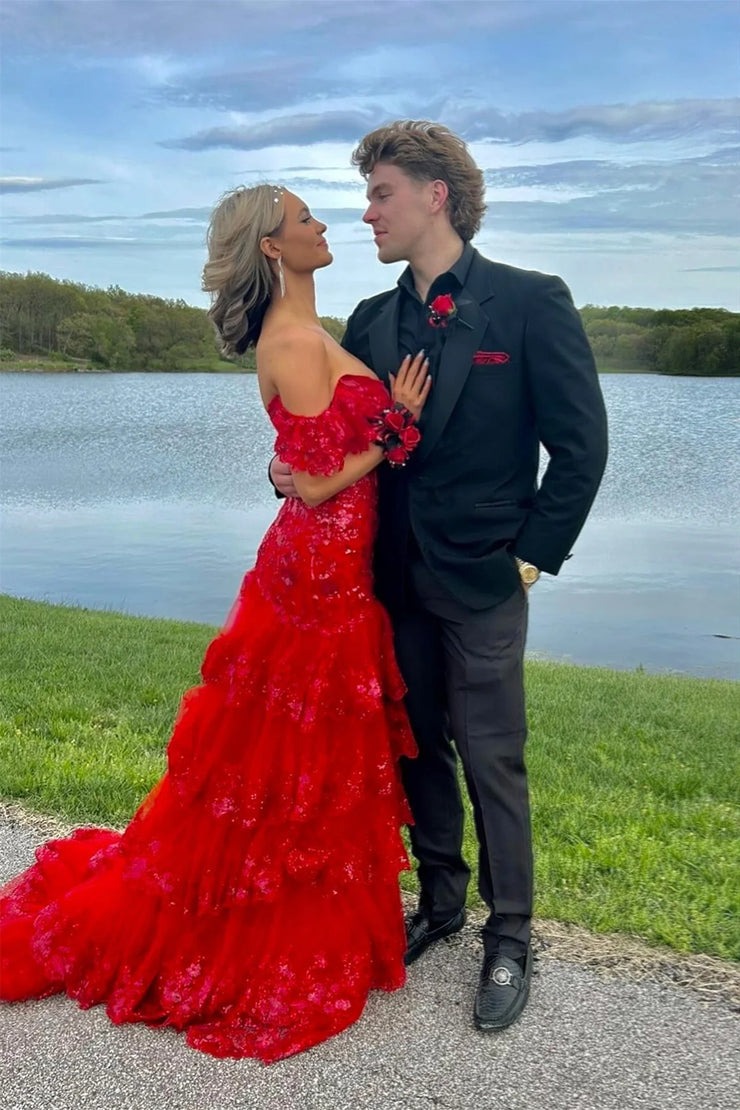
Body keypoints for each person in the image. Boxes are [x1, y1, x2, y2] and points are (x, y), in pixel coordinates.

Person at [0, 184, 432, 1063]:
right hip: (317, 578)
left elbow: (299, 465)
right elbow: (317, 483)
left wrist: (362, 437)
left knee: (299, 762)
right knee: (288, 760)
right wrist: (398, 427)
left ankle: (289, 898)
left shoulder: (309, 331)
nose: (323, 225)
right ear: (273, 246)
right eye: (305, 218)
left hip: (333, 570)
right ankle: (261, 921)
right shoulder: (293, 340)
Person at [271, 121, 609, 1032]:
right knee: (416, 743)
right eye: (366, 197)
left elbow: (580, 447)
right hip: (389, 579)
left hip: (487, 575)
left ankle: (511, 933)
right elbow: (339, 443)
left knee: (493, 752)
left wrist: (532, 556)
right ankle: (441, 901)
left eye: (381, 194)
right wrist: (285, 469)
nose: (367, 213)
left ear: (436, 196)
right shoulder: (371, 322)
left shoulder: (531, 302)